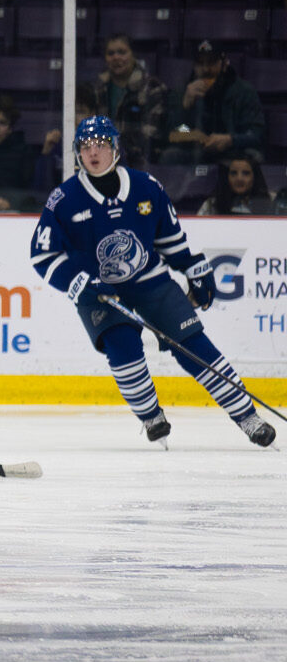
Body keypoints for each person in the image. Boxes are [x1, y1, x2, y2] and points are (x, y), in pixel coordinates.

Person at [30, 116, 274, 449]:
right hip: (100, 294)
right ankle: (151, 417)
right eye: (85, 146)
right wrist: (80, 283)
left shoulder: (146, 186)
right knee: (123, 349)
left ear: (115, 148)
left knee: (195, 346)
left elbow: (169, 239)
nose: (93, 152)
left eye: (100, 144)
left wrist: (192, 267)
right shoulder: (64, 198)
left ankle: (248, 417)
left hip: (151, 282)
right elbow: (42, 255)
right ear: (77, 153)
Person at [159, 41, 264, 166]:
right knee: (170, 155)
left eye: (211, 62)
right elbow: (172, 134)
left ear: (224, 64)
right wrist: (185, 109)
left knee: (253, 156)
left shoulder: (244, 91)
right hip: (195, 153)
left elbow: (256, 134)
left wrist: (231, 140)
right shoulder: (182, 93)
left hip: (233, 153)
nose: (205, 69)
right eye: (200, 63)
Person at [78, 34, 168, 167]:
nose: (116, 57)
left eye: (122, 52)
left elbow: (151, 134)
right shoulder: (96, 89)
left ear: (133, 55)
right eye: (111, 53)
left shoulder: (152, 88)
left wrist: (113, 146)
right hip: (100, 162)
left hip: (140, 163)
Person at [198, 157, 278, 217]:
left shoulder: (273, 201)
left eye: (246, 173)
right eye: (233, 173)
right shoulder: (211, 205)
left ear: (255, 177)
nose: (239, 179)